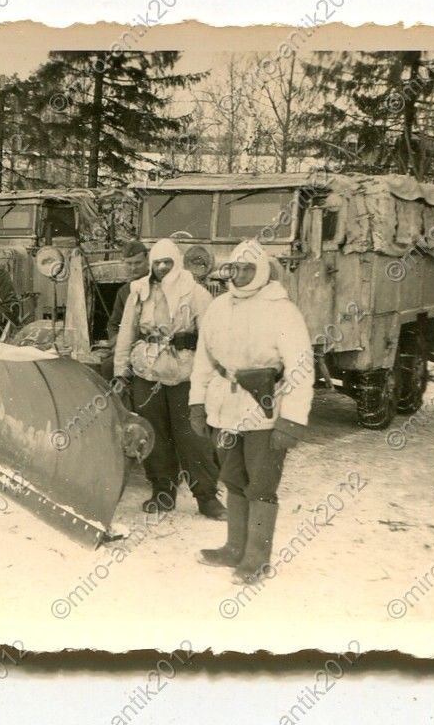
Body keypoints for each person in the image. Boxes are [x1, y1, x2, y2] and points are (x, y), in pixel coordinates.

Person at [189, 239, 314, 584]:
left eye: (248, 269)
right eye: (235, 268)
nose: (241, 275)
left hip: (265, 410)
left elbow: (302, 367)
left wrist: (291, 420)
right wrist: (197, 403)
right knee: (232, 478)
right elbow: (203, 360)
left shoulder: (281, 309)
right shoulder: (218, 307)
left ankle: (257, 559)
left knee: (261, 484)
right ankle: (234, 547)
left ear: (261, 271)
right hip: (225, 408)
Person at [113, 239, 225, 520]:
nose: (162, 268)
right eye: (158, 263)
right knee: (153, 435)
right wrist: (120, 371)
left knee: (193, 437)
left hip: (184, 374)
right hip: (147, 373)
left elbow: (213, 338)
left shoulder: (196, 293)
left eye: (168, 262)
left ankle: (207, 497)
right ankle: (163, 492)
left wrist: (212, 375)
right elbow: (126, 333)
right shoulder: (138, 292)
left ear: (177, 261)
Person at [99, 240, 150, 383]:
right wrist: (117, 341)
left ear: (147, 259)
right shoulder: (124, 291)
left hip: (153, 344)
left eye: (137, 263)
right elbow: (113, 324)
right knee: (109, 366)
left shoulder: (156, 284)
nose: (133, 268)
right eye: (129, 264)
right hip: (130, 346)